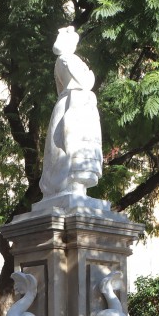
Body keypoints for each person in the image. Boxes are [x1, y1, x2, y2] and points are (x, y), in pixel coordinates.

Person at [39, 26, 103, 199]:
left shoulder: (64, 60)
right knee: (66, 148)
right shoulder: (67, 59)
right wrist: (89, 74)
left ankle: (74, 187)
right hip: (72, 106)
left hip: (75, 104)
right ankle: (67, 187)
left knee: (71, 148)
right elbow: (85, 82)